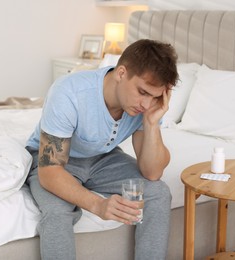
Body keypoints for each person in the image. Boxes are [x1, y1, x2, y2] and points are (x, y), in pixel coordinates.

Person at [25, 39, 179, 260]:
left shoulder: (143, 109)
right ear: (121, 73)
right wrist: (97, 204)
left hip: (102, 158)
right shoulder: (69, 92)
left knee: (158, 192)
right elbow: (49, 172)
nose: (146, 104)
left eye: (155, 97)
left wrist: (152, 123)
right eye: (142, 92)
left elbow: (152, 172)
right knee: (58, 211)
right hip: (57, 163)